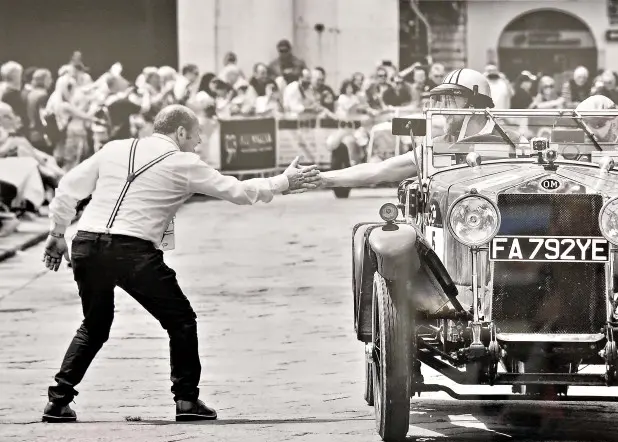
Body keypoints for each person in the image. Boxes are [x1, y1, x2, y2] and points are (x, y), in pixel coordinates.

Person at [40, 104, 321, 423]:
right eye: (197, 135)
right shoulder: (184, 162)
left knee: (94, 324)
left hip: (87, 243)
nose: (199, 142)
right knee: (181, 320)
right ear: (181, 132)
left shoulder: (115, 148)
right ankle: (186, 400)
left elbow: (67, 188)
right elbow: (238, 191)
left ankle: (58, 400)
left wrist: (57, 232)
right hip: (131, 248)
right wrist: (284, 181)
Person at [320, 68, 498, 188]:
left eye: (450, 101)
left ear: (475, 105)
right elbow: (379, 170)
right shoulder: (437, 147)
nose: (442, 109)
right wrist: (320, 178)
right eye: (441, 100)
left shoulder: (514, 144)